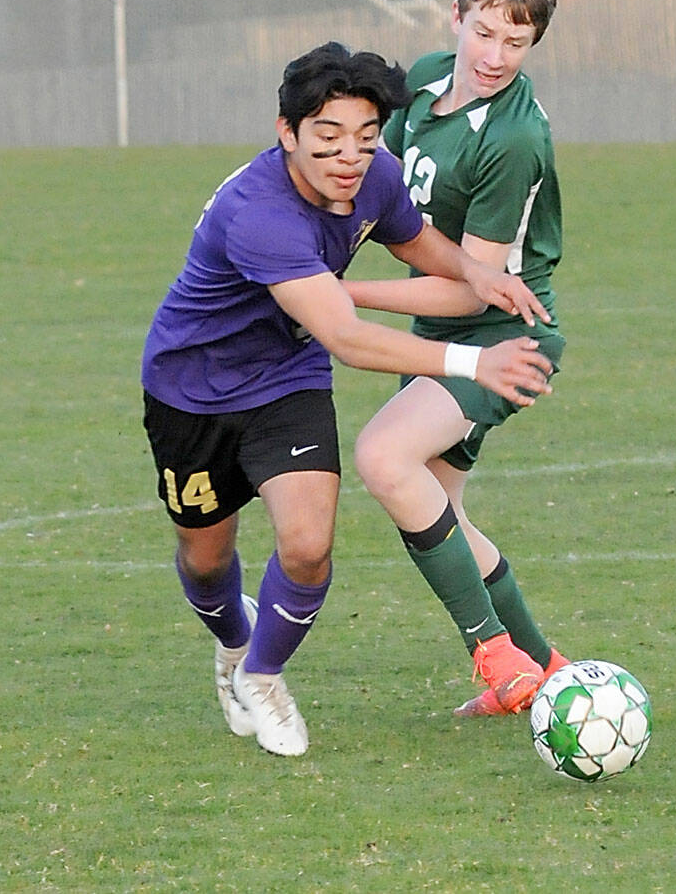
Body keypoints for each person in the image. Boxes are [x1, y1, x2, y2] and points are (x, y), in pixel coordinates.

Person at [140, 41, 554, 756]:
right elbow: (348, 337)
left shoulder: (376, 175)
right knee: (206, 560)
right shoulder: (259, 214)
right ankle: (235, 644)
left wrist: (474, 272)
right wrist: (473, 361)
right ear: (287, 132)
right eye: (328, 136)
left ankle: (263, 674)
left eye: (365, 137)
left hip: (288, 378)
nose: (348, 155)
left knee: (307, 546)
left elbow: (416, 242)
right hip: (191, 389)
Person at [348, 0, 566, 718]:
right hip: (442, 329)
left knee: (383, 455)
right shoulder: (427, 80)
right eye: (484, 32)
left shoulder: (513, 139)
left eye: (517, 41)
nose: (495, 56)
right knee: (441, 510)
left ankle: (497, 656)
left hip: (503, 337)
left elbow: (467, 287)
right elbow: (373, 183)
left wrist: (334, 294)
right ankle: (545, 672)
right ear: (455, 16)